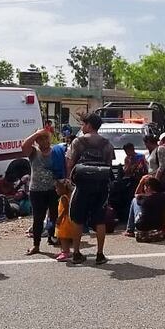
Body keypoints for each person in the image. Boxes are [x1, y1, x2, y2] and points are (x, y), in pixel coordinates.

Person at [66, 113, 114, 265]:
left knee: (77, 219)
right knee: (100, 220)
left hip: (82, 185)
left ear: (88, 125)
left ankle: (76, 253)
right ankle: (100, 254)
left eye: (83, 124)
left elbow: (70, 163)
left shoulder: (78, 142)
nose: (82, 126)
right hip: (101, 186)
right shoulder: (107, 143)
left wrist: (70, 179)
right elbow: (109, 165)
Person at [20, 128, 60, 255]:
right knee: (38, 218)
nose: (44, 141)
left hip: (53, 189)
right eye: (40, 139)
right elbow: (24, 146)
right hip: (36, 190)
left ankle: (53, 237)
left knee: (54, 215)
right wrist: (37, 133)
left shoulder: (55, 151)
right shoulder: (33, 152)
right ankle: (36, 245)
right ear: (36, 141)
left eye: (46, 138)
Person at [134, 176, 165, 242]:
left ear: (148, 187)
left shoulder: (143, 199)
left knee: (134, 201)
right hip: (159, 232)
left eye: (144, 186)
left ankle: (129, 229)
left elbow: (136, 194)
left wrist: (141, 181)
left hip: (141, 234)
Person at [53, 179, 80, 262]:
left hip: (64, 220)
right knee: (64, 237)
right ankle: (65, 251)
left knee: (63, 237)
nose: (56, 190)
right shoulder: (68, 196)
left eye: (57, 188)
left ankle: (65, 252)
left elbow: (65, 208)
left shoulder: (64, 197)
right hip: (68, 219)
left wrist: (60, 217)